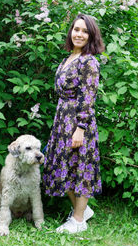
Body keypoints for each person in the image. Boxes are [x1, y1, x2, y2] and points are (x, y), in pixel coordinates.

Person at [43, 13, 105, 234]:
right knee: (63, 167)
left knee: (80, 167)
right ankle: (83, 211)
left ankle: (78, 220)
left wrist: (80, 128)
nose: (79, 34)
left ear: (91, 36)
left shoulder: (89, 62)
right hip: (62, 121)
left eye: (85, 31)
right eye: (76, 29)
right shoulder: (67, 58)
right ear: (71, 32)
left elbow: (88, 98)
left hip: (79, 123)